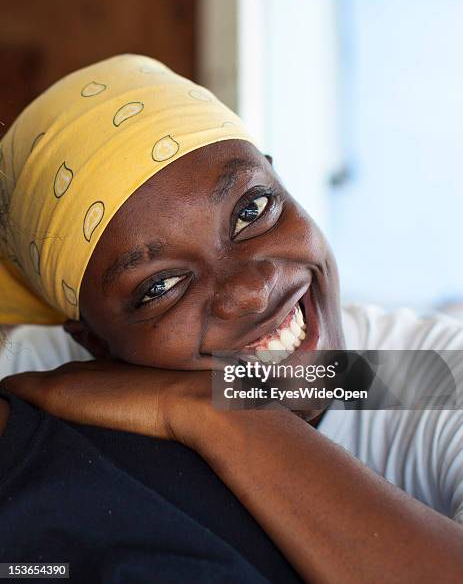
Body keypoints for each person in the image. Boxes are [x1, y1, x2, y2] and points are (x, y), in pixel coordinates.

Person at [0, 54, 462, 583]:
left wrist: (215, 410)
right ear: (94, 345)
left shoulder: (422, 374)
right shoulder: (36, 374)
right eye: (161, 287)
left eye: (252, 210)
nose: (247, 292)